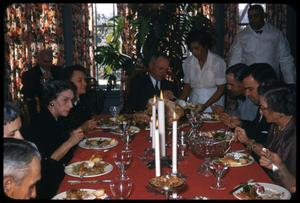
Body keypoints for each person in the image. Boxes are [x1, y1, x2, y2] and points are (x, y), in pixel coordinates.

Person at [27, 80, 84, 199]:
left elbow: (56, 141)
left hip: (62, 174)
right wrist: (69, 142)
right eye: (65, 100)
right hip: (48, 187)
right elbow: (46, 165)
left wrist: (70, 136)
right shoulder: (40, 123)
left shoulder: (57, 119)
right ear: (51, 101)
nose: (71, 105)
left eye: (71, 100)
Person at [235, 84, 296, 192]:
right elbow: (268, 154)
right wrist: (247, 141)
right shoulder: (277, 125)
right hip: (270, 181)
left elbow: (292, 186)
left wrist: (280, 166)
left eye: (263, 108)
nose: (260, 112)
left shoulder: (292, 139)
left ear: (280, 112)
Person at [228, 4, 296, 84]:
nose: (253, 19)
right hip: (249, 81)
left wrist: (291, 83)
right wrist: (234, 83)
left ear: (263, 16)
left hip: (270, 80)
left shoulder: (276, 34)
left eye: (256, 16)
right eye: (250, 17)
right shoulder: (241, 37)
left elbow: (286, 60)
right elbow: (234, 61)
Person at [179, 29, 226, 112]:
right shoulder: (188, 63)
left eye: (197, 48)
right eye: (191, 49)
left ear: (205, 46)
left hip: (214, 103)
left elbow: (221, 89)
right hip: (194, 102)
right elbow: (187, 86)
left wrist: (205, 105)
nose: (194, 52)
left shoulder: (217, 62)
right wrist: (180, 103)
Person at [21, 48, 63, 121]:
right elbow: (29, 92)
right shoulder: (29, 74)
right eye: (45, 62)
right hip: (39, 105)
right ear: (39, 61)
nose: (47, 64)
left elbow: (62, 87)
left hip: (57, 103)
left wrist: (51, 79)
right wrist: (43, 81)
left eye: (50, 62)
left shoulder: (58, 71)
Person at [61, 64, 97, 133]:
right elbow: (62, 137)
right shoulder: (62, 106)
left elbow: (89, 119)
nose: (85, 84)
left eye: (85, 80)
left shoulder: (82, 100)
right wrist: (82, 128)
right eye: (80, 81)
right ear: (68, 83)